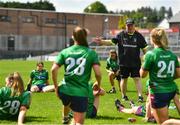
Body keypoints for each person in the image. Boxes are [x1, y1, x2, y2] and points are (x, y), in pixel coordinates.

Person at [51, 26, 102, 124]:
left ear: (73, 37)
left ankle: (65, 117)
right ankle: (67, 118)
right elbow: (98, 74)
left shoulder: (65, 51)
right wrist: (98, 84)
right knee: (79, 122)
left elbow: (53, 70)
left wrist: (56, 86)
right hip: (80, 92)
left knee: (67, 104)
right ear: (85, 37)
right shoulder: (91, 53)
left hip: (65, 90)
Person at [93, 18, 147, 102]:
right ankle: (124, 96)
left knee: (137, 79)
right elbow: (111, 42)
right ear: (126, 26)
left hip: (135, 63)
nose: (129, 27)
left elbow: (144, 49)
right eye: (128, 25)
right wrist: (102, 41)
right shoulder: (121, 35)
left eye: (131, 25)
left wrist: (146, 58)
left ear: (134, 26)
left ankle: (140, 96)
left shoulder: (139, 36)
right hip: (123, 63)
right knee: (124, 79)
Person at [140, 28, 180, 124]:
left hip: (158, 92)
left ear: (152, 39)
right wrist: (167, 78)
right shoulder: (172, 55)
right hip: (171, 90)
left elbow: (142, 75)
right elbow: (179, 74)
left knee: (164, 123)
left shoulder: (151, 54)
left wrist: (142, 64)